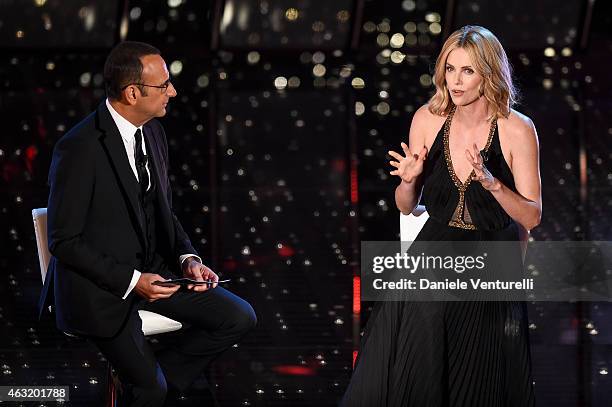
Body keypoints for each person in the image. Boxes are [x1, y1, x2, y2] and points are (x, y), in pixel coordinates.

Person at [38, 41, 257, 406]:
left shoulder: (152, 130)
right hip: (101, 290)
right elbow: (64, 240)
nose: (172, 91)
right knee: (149, 390)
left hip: (154, 271)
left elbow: (162, 210)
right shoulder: (79, 147)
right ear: (132, 92)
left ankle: (153, 385)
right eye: (164, 85)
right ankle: (149, 388)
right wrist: (133, 281)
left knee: (238, 317)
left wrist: (188, 258)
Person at [342, 26, 541, 406]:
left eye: (467, 71)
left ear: (490, 73)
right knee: (420, 326)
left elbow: (532, 217)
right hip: (434, 246)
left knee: (477, 370)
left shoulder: (517, 129)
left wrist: (495, 185)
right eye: (450, 69)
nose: (455, 80)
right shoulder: (428, 119)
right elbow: (405, 206)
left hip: (491, 253)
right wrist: (409, 181)